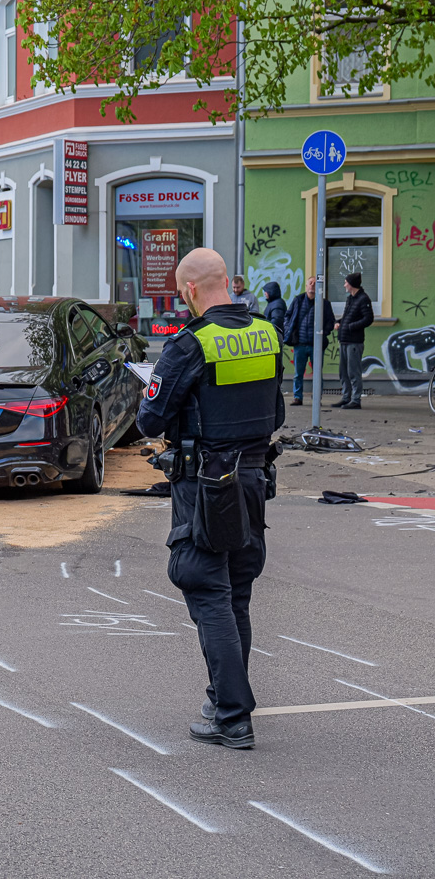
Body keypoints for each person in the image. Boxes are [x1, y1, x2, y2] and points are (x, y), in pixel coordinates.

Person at [137, 247, 284, 750]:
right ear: (228, 282)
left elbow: (150, 420)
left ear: (190, 290)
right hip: (253, 479)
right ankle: (224, 696)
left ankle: (232, 715)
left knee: (205, 585)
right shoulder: (267, 333)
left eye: (182, 291)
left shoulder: (190, 343)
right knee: (236, 592)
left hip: (205, 484)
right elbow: (278, 413)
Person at [281, 276, 335, 406]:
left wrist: (324, 332)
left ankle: (316, 398)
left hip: (316, 345)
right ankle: (297, 397)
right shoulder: (298, 300)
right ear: (306, 286)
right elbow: (287, 316)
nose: (312, 286)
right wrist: (288, 328)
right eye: (310, 283)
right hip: (300, 343)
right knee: (298, 373)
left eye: (315, 284)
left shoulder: (324, 304)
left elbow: (330, 321)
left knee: (317, 374)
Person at [332, 272, 373, 409]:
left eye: (346, 282)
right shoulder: (351, 298)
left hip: (354, 341)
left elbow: (368, 319)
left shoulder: (363, 299)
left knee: (353, 371)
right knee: (343, 371)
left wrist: (350, 327)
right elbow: (347, 316)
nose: (344, 285)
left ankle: (356, 399)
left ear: (351, 284)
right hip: (344, 340)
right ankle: (346, 397)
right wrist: (339, 322)